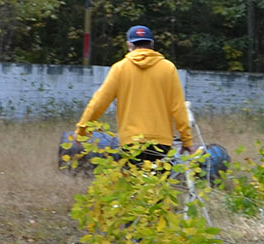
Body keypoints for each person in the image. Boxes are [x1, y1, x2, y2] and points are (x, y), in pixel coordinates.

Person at [74, 25, 202, 163]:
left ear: (129, 44)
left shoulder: (120, 68)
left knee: (133, 183)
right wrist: (186, 140)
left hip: (131, 142)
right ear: (152, 44)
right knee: (156, 183)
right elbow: (178, 107)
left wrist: (82, 130)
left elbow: (98, 102)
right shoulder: (168, 68)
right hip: (161, 143)